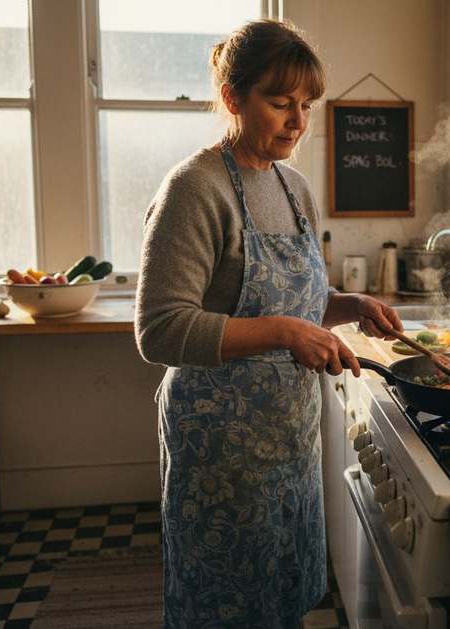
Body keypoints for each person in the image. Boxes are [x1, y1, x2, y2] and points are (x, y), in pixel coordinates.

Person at [134, 19, 402, 629]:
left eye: (306, 106)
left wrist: (349, 306)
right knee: (225, 605)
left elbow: (297, 299)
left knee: (280, 597)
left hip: (287, 437)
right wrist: (285, 332)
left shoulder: (295, 187)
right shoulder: (194, 189)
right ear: (234, 99)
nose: (298, 122)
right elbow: (160, 329)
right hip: (220, 445)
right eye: (280, 104)